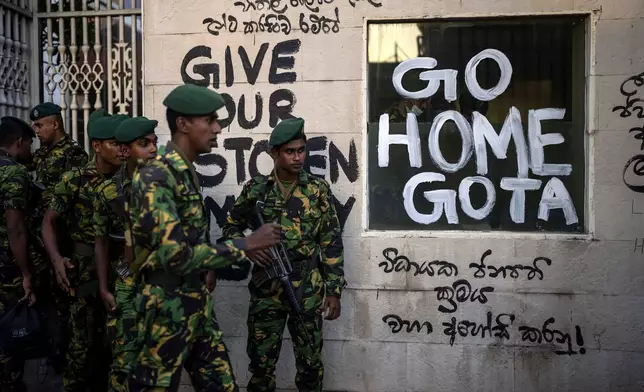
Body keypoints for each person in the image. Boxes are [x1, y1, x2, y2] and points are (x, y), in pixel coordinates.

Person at [126, 83, 281, 392]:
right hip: (165, 311)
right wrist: (245, 245)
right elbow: (175, 256)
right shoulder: (156, 177)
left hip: (196, 307)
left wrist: (211, 262)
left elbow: (191, 244)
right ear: (183, 124)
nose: (217, 128)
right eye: (209, 120)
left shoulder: (185, 173)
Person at [221, 117, 346, 392]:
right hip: (267, 289)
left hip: (307, 289)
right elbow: (230, 226)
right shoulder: (256, 190)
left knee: (311, 365)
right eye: (290, 151)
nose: (298, 157)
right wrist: (249, 248)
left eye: (302, 150)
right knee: (262, 366)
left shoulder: (317, 190)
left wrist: (334, 291)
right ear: (274, 153)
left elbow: (331, 242)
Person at [42, 113, 127, 392]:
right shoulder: (75, 179)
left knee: (122, 346)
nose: (121, 150)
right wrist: (56, 259)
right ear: (97, 145)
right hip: (84, 271)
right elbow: (48, 222)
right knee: (82, 345)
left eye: (123, 144)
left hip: (123, 270)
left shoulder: (129, 181)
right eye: (114, 144)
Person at [93, 116, 159, 391]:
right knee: (124, 360)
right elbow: (101, 242)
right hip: (128, 283)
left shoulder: (168, 185)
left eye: (155, 142)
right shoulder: (108, 191)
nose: (154, 149)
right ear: (125, 151)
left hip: (163, 282)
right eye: (145, 144)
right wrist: (104, 288)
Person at [28, 102, 89, 372]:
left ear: (55, 124)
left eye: (40, 125)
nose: (36, 129)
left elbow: (76, 198)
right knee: (48, 301)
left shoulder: (73, 154)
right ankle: (53, 351)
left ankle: (69, 359)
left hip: (64, 238)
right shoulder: (42, 154)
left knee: (67, 302)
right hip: (42, 240)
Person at [0, 116, 38, 392]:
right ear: (19, 142)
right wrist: (26, 272)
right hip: (6, 269)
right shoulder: (13, 173)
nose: (31, 152)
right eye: (29, 145)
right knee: (9, 336)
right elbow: (15, 229)